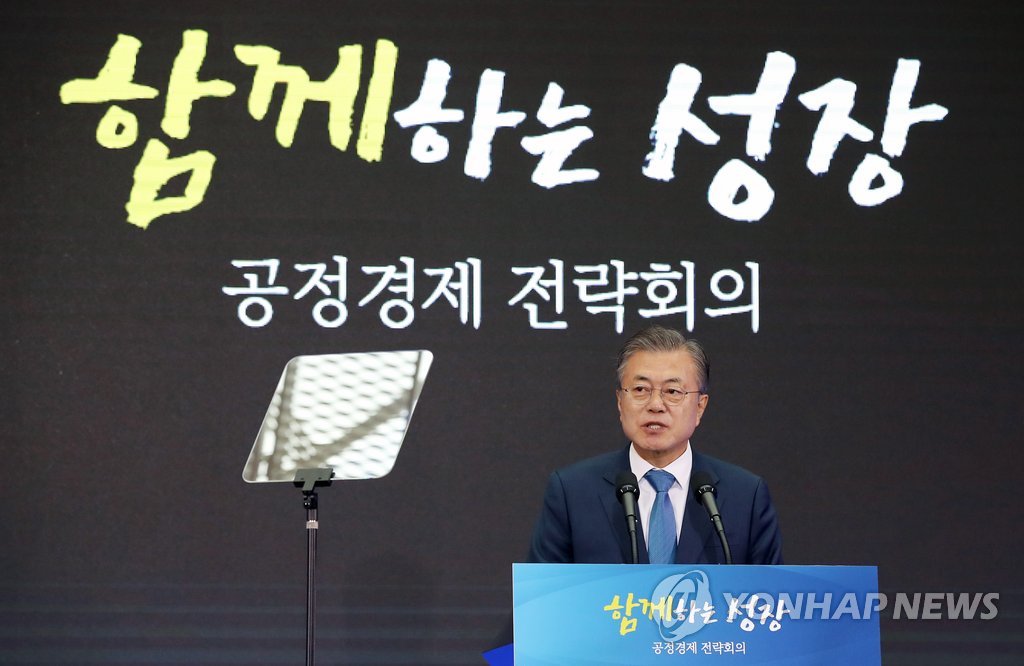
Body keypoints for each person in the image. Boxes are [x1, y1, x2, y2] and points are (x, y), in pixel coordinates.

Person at [527, 325, 782, 565]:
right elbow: (542, 594)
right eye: (640, 389)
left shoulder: (746, 496)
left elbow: (771, 593)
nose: (656, 405)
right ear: (620, 401)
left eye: (672, 391)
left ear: (700, 406)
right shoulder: (572, 492)